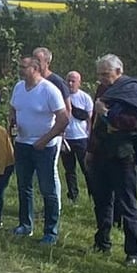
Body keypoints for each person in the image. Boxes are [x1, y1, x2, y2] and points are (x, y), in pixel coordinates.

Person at [88, 55, 137, 265]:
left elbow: (134, 122)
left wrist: (107, 115)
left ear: (119, 71)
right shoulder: (103, 90)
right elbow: (95, 123)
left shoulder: (133, 90)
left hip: (124, 155)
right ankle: (102, 242)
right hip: (101, 151)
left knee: (127, 203)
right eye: (100, 74)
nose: (102, 78)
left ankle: (134, 252)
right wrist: (90, 148)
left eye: (106, 74)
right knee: (102, 200)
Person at [10, 55, 70, 245]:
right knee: (24, 185)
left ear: (35, 69)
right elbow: (13, 108)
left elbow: (63, 119)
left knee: (47, 188)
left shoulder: (49, 90)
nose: (20, 69)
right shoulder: (19, 87)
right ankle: (25, 225)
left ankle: (50, 232)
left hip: (43, 147)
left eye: (24, 67)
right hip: (22, 143)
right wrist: (12, 124)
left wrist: (45, 140)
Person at [61, 70, 93, 204]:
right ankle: (72, 196)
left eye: (73, 81)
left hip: (81, 138)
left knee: (87, 169)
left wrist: (90, 137)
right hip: (65, 138)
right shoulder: (61, 97)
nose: (70, 83)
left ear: (79, 83)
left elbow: (90, 120)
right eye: (68, 80)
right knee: (69, 170)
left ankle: (93, 195)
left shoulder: (85, 98)